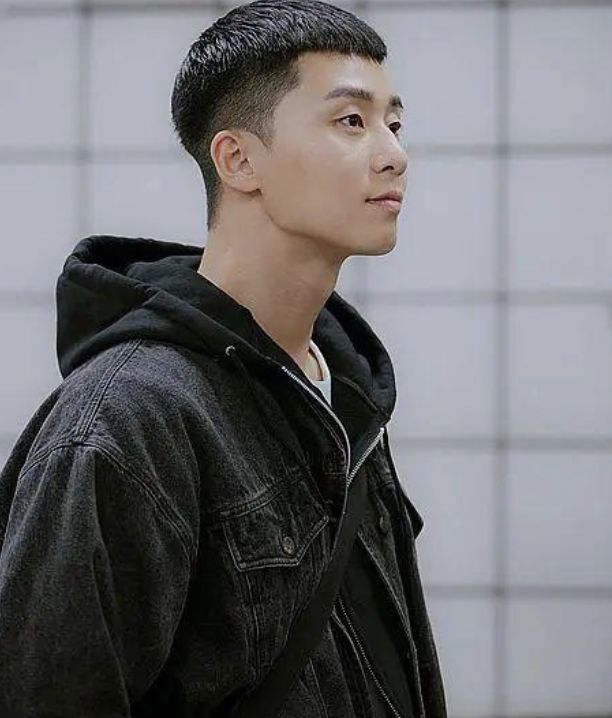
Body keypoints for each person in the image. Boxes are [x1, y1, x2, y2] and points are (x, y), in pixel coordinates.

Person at [0, 2, 446, 717]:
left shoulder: (343, 388)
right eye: (350, 121)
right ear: (238, 160)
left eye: (394, 123)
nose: (394, 153)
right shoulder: (127, 418)